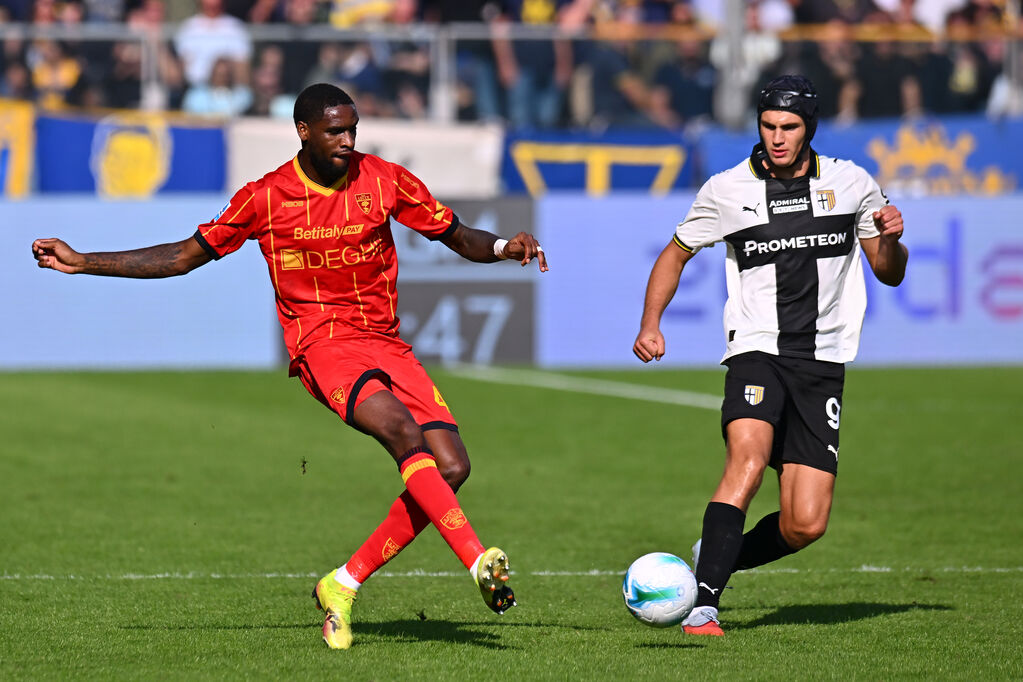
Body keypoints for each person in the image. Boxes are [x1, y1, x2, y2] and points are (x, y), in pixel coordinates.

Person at [32, 82, 548, 650]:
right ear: (303, 131)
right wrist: (85, 262)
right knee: (402, 432)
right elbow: (182, 257)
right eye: (335, 131)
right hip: (322, 345)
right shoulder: (266, 197)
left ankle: (342, 583)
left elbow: (456, 236)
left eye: (353, 129)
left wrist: (504, 247)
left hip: (386, 343)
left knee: (450, 468)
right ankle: (478, 561)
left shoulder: (386, 179)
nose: (348, 140)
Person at [632, 74, 907, 636]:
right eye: (768, 126)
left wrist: (893, 237)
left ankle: (714, 553)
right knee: (748, 459)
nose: (777, 137)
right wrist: (650, 324)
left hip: (823, 363)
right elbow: (674, 254)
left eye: (789, 127)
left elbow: (888, 272)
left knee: (805, 523)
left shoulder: (853, 183)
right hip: (757, 350)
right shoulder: (727, 189)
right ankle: (704, 605)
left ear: (810, 128)